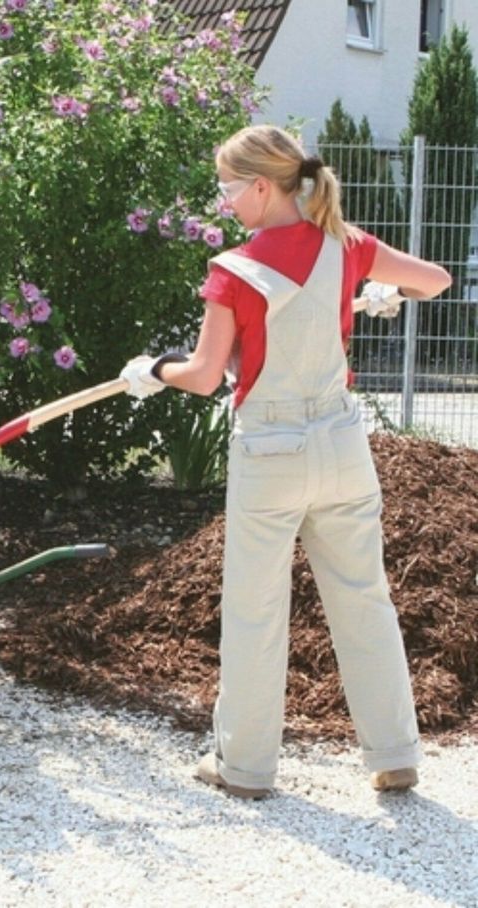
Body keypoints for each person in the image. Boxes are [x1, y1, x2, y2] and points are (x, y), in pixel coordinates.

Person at [120, 124, 452, 799]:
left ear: (263, 187)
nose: (226, 202)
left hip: (272, 454)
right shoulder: (349, 244)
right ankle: (394, 756)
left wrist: (153, 368)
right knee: (365, 599)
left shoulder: (234, 270)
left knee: (255, 609)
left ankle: (243, 767)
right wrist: (393, 293)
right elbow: (437, 281)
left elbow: (206, 374)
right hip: (342, 447)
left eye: (229, 189)